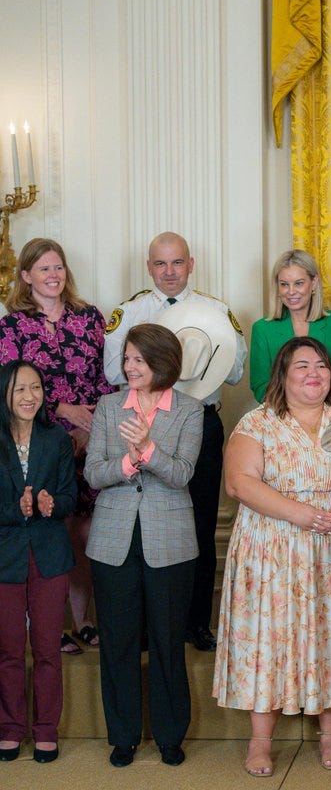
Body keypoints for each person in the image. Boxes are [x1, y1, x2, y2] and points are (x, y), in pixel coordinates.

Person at [214, 337, 331, 777]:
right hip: (273, 545)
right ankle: (260, 741)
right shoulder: (258, 422)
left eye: (321, 365)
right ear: (283, 375)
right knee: (268, 637)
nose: (314, 372)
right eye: (301, 366)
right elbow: (239, 482)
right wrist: (306, 515)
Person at [102, 231, 247, 653]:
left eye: (177, 262)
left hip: (200, 421)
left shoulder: (216, 311)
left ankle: (195, 622)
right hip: (143, 422)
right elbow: (113, 373)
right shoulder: (129, 312)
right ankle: (148, 626)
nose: (169, 272)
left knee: (199, 522)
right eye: (160, 264)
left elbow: (235, 374)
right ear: (149, 267)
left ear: (191, 263)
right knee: (144, 525)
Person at [85, 323, 203, 768]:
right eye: (128, 358)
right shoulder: (109, 406)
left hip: (170, 542)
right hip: (112, 539)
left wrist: (148, 450)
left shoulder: (190, 410)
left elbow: (182, 473)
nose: (130, 366)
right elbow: (94, 474)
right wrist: (128, 460)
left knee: (169, 641)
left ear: (163, 362)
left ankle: (172, 736)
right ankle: (123, 736)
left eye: (139, 359)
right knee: (117, 641)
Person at [0, 237, 114, 654]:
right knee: (56, 529)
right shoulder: (12, 327)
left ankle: (84, 620)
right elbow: (13, 390)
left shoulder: (90, 318)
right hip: (42, 438)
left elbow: (110, 379)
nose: (53, 275)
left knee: (89, 529)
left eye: (59, 267)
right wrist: (63, 412)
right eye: (43, 269)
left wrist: (92, 425)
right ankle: (54, 626)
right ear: (26, 276)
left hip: (94, 434)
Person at [0, 361, 76, 764]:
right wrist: (18, 508)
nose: (30, 397)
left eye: (35, 388)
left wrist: (50, 504)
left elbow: (69, 497)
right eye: (19, 391)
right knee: (9, 650)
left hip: (49, 555)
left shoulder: (57, 439)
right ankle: (10, 728)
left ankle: (46, 729)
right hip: (5, 556)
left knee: (47, 648)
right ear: (5, 396)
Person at [248, 249, 331, 402]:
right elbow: (260, 386)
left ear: (314, 282)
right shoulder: (262, 329)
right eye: (284, 284)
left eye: (299, 283)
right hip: (281, 418)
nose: (291, 291)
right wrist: (299, 401)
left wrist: (309, 396)